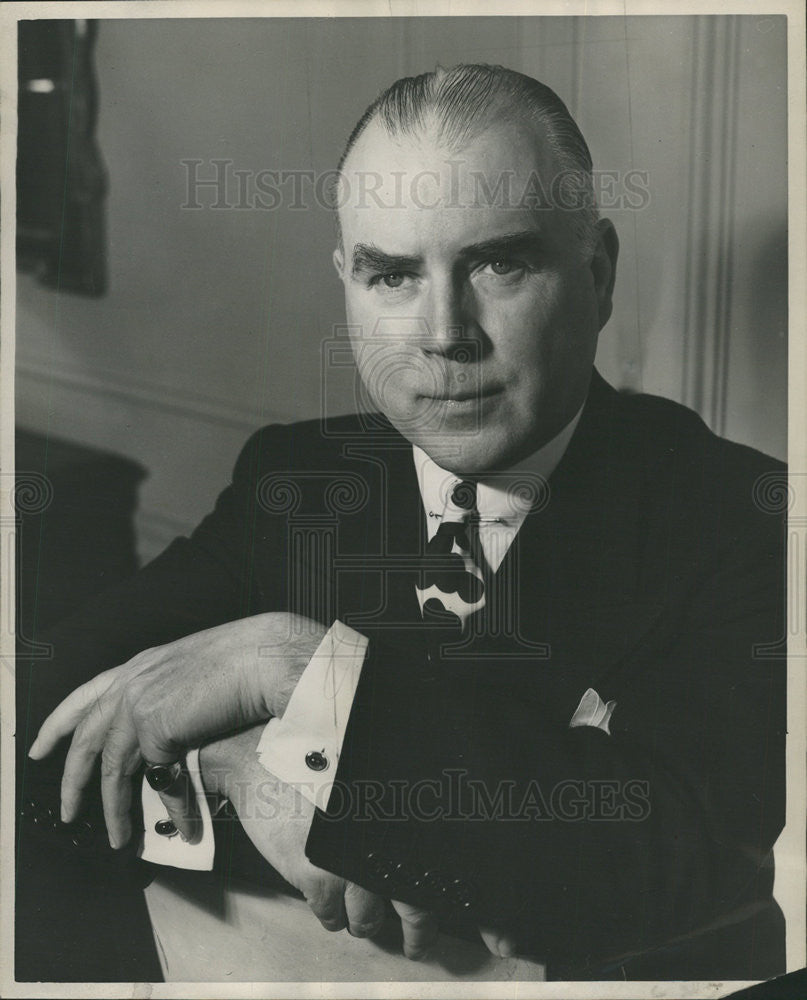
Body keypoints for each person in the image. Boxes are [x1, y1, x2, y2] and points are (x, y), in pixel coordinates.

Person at [18, 64, 786, 982]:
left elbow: (663, 874)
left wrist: (292, 672)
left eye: (500, 262)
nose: (443, 334)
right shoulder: (297, 478)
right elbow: (37, 727)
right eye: (390, 274)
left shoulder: (741, 517)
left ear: (599, 271)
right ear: (346, 282)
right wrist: (241, 775)